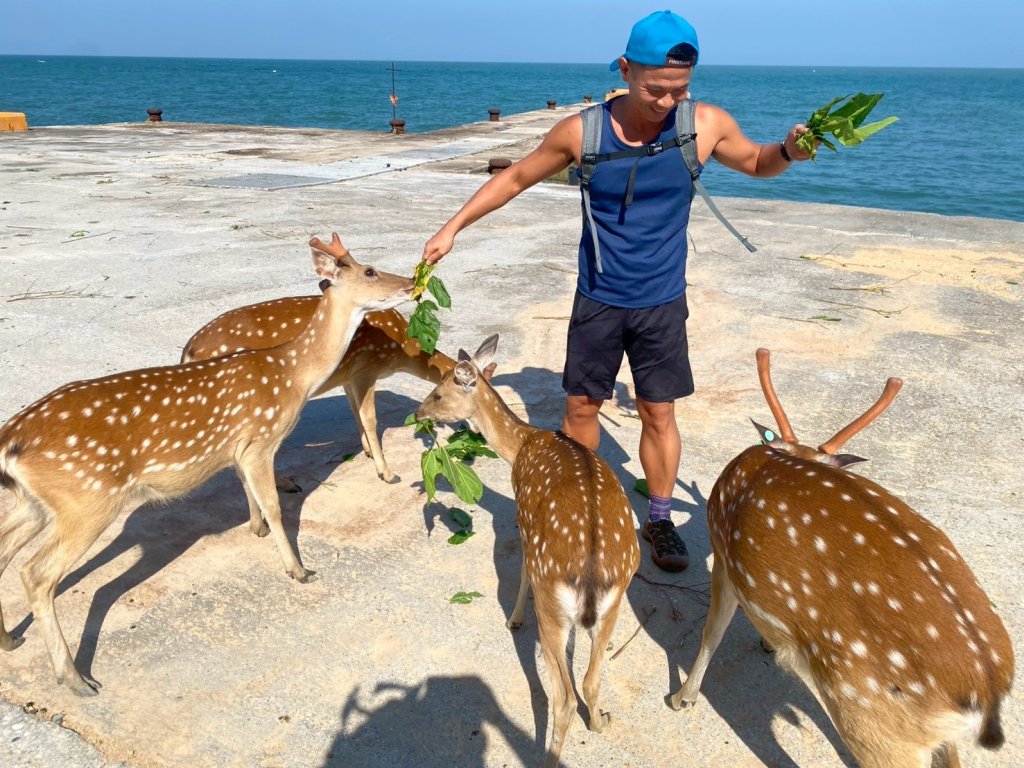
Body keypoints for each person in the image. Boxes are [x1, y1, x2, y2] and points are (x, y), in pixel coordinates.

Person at [422, 10, 813, 572]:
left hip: (660, 303)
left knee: (659, 414)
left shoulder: (702, 124)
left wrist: (790, 151)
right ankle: (577, 508)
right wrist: (452, 228)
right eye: (655, 87)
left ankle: (658, 519)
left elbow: (757, 160)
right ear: (626, 69)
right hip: (599, 299)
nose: (665, 100)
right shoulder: (583, 132)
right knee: (581, 407)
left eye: (679, 88)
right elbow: (514, 178)